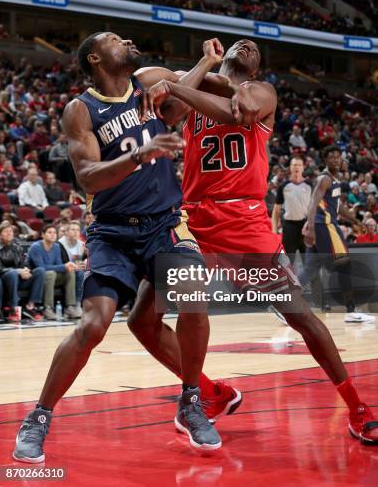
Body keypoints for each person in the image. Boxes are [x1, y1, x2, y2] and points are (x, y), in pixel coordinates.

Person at [128, 39, 378, 447]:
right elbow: (154, 98)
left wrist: (178, 84)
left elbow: (240, 108)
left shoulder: (262, 92)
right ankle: (211, 394)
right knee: (141, 321)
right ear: (226, 53)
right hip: (191, 218)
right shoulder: (199, 83)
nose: (247, 45)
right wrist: (199, 67)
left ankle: (357, 407)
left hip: (243, 218)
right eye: (239, 43)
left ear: (255, 69)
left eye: (255, 48)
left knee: (299, 314)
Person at [13, 32, 229, 464]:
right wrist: (139, 155)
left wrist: (205, 62)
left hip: (165, 223)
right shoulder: (81, 109)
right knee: (94, 324)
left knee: (193, 299)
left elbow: (179, 103)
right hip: (111, 231)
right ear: (95, 58)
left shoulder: (148, 81)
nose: (126, 39)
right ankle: (37, 418)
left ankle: (191, 400)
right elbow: (88, 176)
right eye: (114, 39)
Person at [302, 145, 375, 323]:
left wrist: (356, 221)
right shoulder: (324, 178)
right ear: (325, 160)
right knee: (344, 264)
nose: (336, 160)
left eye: (338, 157)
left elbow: (338, 207)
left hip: (324, 225)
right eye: (332, 157)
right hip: (324, 226)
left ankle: (281, 305)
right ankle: (351, 311)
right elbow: (312, 202)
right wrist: (311, 227)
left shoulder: (335, 180)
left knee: (310, 269)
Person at [27, 224, 79, 320]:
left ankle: (70, 307)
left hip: (52, 276)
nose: (53, 235)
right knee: (50, 273)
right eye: (49, 232)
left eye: (54, 232)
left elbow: (59, 265)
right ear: (43, 235)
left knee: (70, 272)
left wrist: (68, 266)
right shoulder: (36, 247)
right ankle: (48, 308)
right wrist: (64, 266)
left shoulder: (56, 246)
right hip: (36, 277)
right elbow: (41, 267)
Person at [0, 221, 45, 322]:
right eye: (6, 231)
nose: (9, 233)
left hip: (17, 278)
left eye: (10, 231)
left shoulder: (16, 246)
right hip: (3, 278)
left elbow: (24, 263)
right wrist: (17, 271)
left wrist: (26, 270)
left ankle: (30, 306)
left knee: (40, 271)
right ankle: (13, 308)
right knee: (12, 273)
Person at [272, 156, 312, 257]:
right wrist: (274, 230)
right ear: (290, 167)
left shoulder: (310, 185)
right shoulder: (284, 186)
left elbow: (315, 208)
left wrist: (310, 223)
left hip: (305, 226)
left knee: (308, 262)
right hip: (289, 227)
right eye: (294, 165)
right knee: (288, 261)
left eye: (299, 165)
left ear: (303, 167)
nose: (296, 167)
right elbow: (276, 210)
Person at [58, 220, 86, 303]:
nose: (75, 232)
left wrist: (85, 262)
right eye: (73, 230)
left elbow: (84, 260)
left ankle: (83, 303)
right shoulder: (60, 244)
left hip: (77, 270)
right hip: (64, 270)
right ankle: (76, 303)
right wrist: (75, 266)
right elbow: (60, 262)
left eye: (77, 230)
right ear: (66, 232)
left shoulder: (82, 244)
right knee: (79, 274)